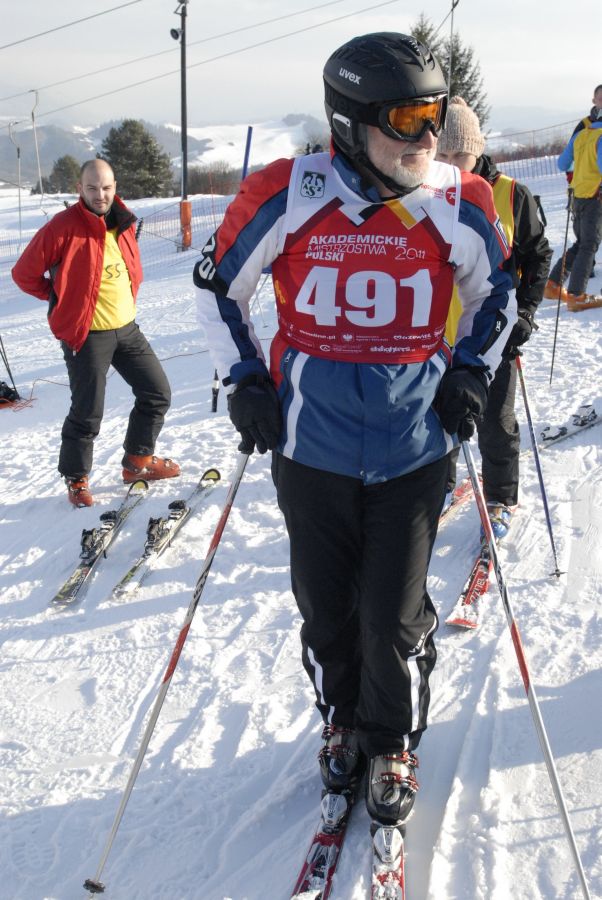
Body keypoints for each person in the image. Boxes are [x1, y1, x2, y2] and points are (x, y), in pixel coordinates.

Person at [194, 33, 515, 843]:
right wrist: (244, 379)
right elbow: (217, 285)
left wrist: (471, 370)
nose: (426, 139)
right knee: (327, 610)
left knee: (393, 617)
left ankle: (391, 741)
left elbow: (497, 292)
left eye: (435, 117)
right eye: (406, 119)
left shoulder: (458, 200)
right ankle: (342, 720)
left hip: (414, 446)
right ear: (350, 122)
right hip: (312, 448)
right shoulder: (289, 191)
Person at [12, 159, 180, 507]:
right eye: (92, 188)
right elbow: (24, 274)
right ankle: (76, 478)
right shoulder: (61, 228)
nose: (99, 195)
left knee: (156, 392)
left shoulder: (123, 223)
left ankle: (138, 462)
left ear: (115, 187)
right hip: (86, 335)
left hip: (127, 328)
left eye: (105, 188)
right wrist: (61, 297)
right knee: (88, 410)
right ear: (80, 189)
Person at [436, 97, 552, 537]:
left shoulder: (510, 195)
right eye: (440, 154)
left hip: (493, 333)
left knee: (495, 421)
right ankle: (441, 485)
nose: (450, 164)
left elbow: (538, 257)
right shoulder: (427, 194)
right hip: (437, 333)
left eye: (458, 154)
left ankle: (502, 495)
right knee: (437, 414)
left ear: (477, 149)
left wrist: (525, 311)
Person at [544, 86, 602, 308]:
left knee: (581, 243)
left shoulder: (581, 133)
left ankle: (553, 284)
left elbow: (562, 164)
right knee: (589, 245)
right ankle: (577, 295)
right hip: (595, 196)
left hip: (577, 195)